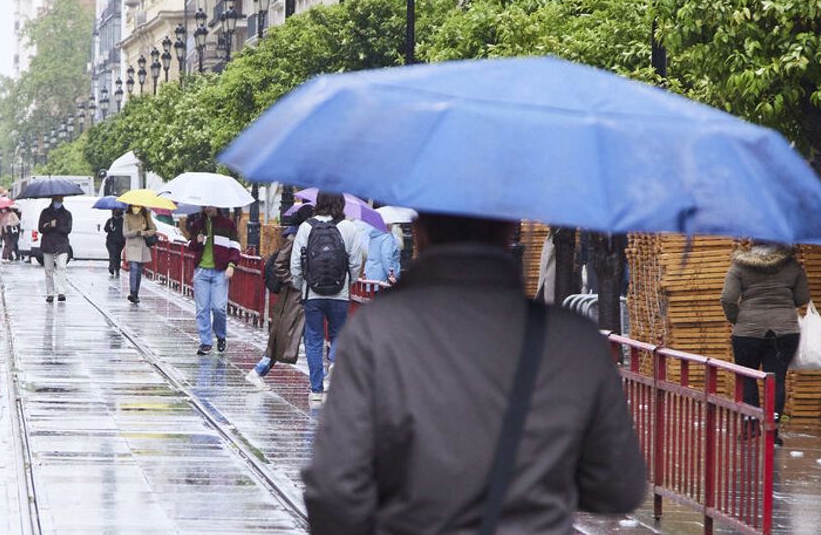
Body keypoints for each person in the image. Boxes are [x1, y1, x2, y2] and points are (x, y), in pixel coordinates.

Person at [303, 212, 646, 532]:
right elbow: (619, 488)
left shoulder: (377, 334)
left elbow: (334, 492)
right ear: (510, 229)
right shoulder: (573, 341)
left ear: (420, 232)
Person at [721, 241, 809, 444]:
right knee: (777, 379)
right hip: (784, 331)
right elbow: (802, 297)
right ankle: (773, 429)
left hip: (748, 331)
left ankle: (750, 426)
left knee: (747, 377)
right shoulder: (793, 266)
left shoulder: (740, 266)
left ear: (753, 242)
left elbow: (727, 298)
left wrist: (737, 318)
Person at [290, 192, 365, 402]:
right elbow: (356, 262)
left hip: (312, 293)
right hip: (339, 293)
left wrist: (301, 285)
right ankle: (333, 360)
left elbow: (296, 263)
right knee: (339, 334)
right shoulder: (350, 228)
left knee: (313, 339)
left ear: (319, 203)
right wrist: (348, 284)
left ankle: (315, 389)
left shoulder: (307, 227)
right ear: (340, 203)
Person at [246, 205, 312, 388]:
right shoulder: (297, 238)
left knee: (297, 337)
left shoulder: (300, 236)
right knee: (285, 337)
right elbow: (280, 265)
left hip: (300, 296)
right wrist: (295, 281)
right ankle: (259, 369)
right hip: (295, 296)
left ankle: (260, 370)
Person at [186, 206, 241, 356]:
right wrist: (197, 241)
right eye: (205, 206)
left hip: (220, 272)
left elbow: (235, 247)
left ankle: (221, 336)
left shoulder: (228, 224)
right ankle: (205, 342)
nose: (207, 208)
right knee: (202, 308)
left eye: (210, 205)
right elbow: (191, 246)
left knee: (219, 307)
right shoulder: (197, 224)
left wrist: (231, 265)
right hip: (202, 271)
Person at [38, 196, 73, 303]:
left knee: (62, 267)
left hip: (62, 244)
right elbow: (41, 228)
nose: (59, 202)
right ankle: (50, 293)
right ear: (52, 200)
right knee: (48, 270)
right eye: (57, 200)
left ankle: (61, 292)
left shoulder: (67, 214)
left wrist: (56, 226)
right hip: (48, 244)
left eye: (60, 201)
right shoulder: (45, 212)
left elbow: (68, 229)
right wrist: (49, 225)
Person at [122, 204, 157, 304]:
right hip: (132, 246)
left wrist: (145, 232)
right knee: (134, 268)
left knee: (139, 271)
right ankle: (132, 292)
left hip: (143, 247)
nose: (136, 208)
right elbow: (125, 233)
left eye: (138, 206)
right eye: (134, 206)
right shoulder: (127, 217)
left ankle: (136, 293)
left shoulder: (146, 215)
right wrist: (137, 231)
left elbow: (154, 229)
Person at [103, 208, 125, 277]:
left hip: (120, 241)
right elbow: (105, 229)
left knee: (118, 255)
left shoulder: (123, 221)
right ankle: (111, 267)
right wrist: (110, 227)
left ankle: (117, 268)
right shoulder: (110, 221)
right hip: (111, 241)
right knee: (112, 254)